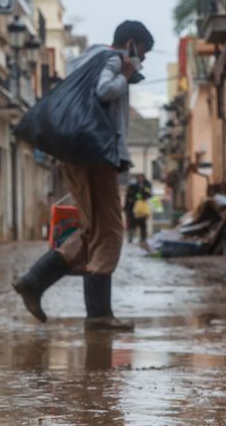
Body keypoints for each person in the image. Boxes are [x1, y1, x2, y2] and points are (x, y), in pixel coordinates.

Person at [12, 20, 154, 331]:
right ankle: (98, 314)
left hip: (73, 154)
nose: (141, 60)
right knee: (111, 230)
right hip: (96, 154)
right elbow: (104, 91)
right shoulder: (114, 60)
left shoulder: (86, 59)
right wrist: (126, 75)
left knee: (92, 230)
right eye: (141, 53)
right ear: (130, 43)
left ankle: (34, 281)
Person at [124, 173, 153, 247]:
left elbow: (149, 195)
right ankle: (131, 237)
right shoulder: (132, 185)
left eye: (141, 177)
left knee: (143, 225)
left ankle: (143, 238)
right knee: (131, 224)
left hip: (142, 209)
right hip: (132, 209)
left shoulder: (147, 185)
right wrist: (126, 208)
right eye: (138, 177)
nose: (140, 179)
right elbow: (128, 196)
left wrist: (142, 194)